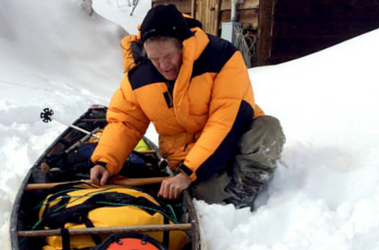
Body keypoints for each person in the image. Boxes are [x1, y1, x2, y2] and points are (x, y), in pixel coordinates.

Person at [90, 4, 285, 208]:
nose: (163, 65)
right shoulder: (139, 76)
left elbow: (226, 120)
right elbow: (125, 123)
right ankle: (224, 191)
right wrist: (105, 162)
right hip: (186, 157)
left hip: (235, 136)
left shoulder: (222, 57)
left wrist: (187, 174)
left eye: (168, 56)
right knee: (210, 196)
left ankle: (244, 187)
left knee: (268, 130)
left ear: (183, 45)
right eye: (155, 59)